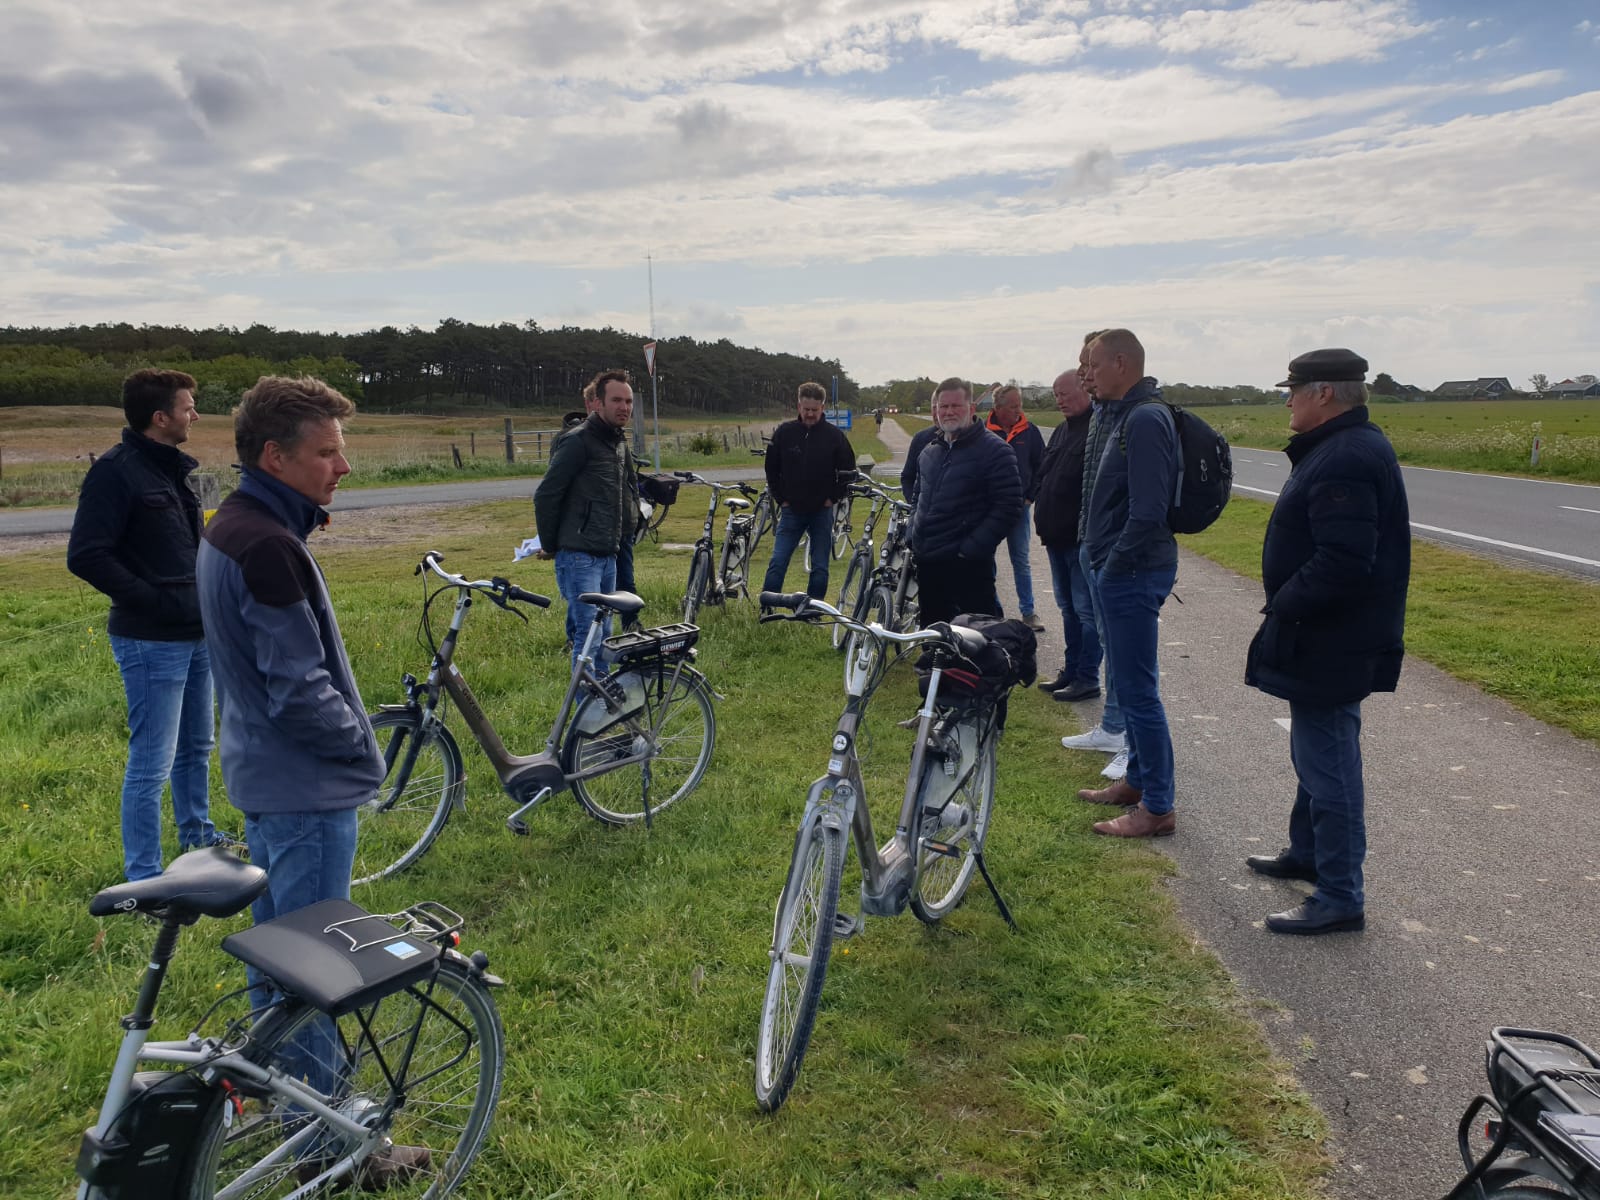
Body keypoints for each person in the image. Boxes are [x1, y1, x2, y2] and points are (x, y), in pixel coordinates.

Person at [198, 376, 427, 1182]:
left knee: (278, 965)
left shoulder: (235, 524)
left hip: (268, 780)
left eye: (343, 448)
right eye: (327, 451)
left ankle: (283, 1108)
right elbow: (299, 688)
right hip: (304, 790)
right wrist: (362, 751)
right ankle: (329, 1148)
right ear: (274, 456)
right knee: (315, 975)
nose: (344, 466)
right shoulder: (265, 543)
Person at [1245, 349, 1410, 935]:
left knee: (1329, 763)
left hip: (1331, 637)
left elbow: (1343, 561)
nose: (1286, 399)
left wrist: (1284, 603)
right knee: (1315, 753)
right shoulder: (1343, 446)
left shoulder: (1345, 457)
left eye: (1293, 389)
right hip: (1328, 635)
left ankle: (1340, 893)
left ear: (1324, 394)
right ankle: (1308, 853)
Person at [68, 368, 238, 881]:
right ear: (160, 417)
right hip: (149, 640)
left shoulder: (173, 471)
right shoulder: (115, 472)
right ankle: (143, 875)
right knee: (152, 761)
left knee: (196, 746)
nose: (196, 414)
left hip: (196, 634)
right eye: (189, 407)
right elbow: (87, 555)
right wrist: (154, 602)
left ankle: (199, 837)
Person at [1073, 330, 1181, 839]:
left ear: (1122, 362)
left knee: (1139, 692)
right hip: (1115, 568)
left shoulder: (1145, 419)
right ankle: (1137, 781)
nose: (1086, 373)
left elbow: (1148, 511)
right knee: (1127, 680)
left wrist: (1111, 566)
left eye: (1093, 363)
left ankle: (1157, 805)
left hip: (1133, 573)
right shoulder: (1114, 415)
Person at [1058, 330, 1130, 778]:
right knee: (1109, 640)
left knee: (1127, 653)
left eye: (1089, 366)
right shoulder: (1104, 413)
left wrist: (1113, 557)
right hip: (1092, 543)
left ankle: (1128, 740)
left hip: (1113, 554)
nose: (1084, 375)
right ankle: (1113, 725)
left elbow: (1142, 502)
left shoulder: (1136, 416)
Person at [535, 369, 637, 665]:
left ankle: (601, 706)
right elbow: (546, 494)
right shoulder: (578, 441)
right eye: (616, 400)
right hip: (580, 556)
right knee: (587, 638)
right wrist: (551, 544)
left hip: (608, 554)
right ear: (598, 403)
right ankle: (585, 710)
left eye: (629, 401)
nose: (624, 407)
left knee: (604, 635)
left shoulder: (617, 443)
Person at [908, 378, 1022, 624]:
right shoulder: (929, 452)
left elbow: (1008, 506)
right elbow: (918, 497)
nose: (948, 412)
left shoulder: (995, 451)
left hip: (968, 568)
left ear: (971, 408)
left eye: (956, 406)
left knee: (974, 647)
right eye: (943, 406)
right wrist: (913, 532)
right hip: (929, 565)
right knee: (934, 643)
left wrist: (970, 549)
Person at [1033, 368, 1102, 701]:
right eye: (1055, 394)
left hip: (1079, 541)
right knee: (1068, 609)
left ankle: (1088, 677)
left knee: (1086, 612)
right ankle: (1071, 670)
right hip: (1055, 539)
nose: (1059, 399)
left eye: (1065, 393)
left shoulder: (1097, 429)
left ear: (1085, 388)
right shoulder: (1061, 431)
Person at [760, 381, 856, 600]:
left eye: (815, 409)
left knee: (820, 565)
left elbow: (848, 470)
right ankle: (768, 606)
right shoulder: (785, 433)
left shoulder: (835, 437)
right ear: (799, 406)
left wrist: (833, 498)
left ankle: (813, 609)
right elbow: (771, 468)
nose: (810, 414)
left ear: (823, 408)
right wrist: (781, 498)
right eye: (806, 409)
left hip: (821, 511)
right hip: (791, 510)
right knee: (778, 561)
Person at [985, 384, 1046, 631]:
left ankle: (1028, 613)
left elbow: (1042, 465)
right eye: (1013, 406)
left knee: (1020, 559)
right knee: (986, 558)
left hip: (1020, 509)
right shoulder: (983, 432)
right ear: (998, 409)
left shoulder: (1029, 431)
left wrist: (1031, 497)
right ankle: (993, 611)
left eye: (1019, 405)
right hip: (989, 510)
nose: (1018, 410)